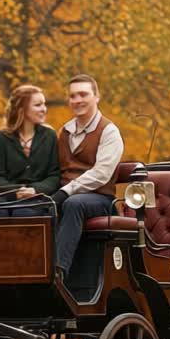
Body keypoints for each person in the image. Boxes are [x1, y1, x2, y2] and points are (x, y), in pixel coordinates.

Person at [50, 73, 123, 278]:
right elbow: (55, 170)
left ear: (96, 97)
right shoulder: (64, 132)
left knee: (74, 203)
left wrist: (65, 192)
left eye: (83, 94)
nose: (77, 100)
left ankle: (58, 271)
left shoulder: (109, 132)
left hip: (100, 198)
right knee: (36, 208)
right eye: (73, 96)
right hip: (65, 195)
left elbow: (101, 174)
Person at [0, 85, 60, 218]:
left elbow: (54, 176)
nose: (44, 109)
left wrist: (35, 190)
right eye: (38, 105)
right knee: (0, 215)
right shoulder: (2, 137)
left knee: (23, 213)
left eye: (44, 104)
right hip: (7, 201)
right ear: (22, 109)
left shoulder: (50, 136)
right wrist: (17, 190)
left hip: (39, 201)